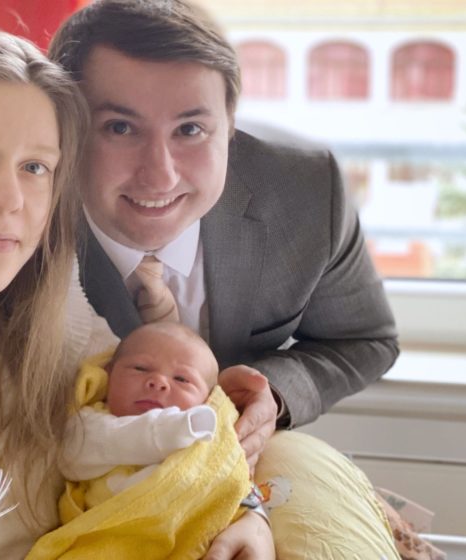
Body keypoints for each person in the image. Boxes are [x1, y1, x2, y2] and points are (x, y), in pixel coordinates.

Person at [0, 29, 272, 559]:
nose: (8, 199)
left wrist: (250, 511)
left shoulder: (63, 325)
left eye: (35, 167)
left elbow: (171, 425)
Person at [48, 0, 401, 557]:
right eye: (119, 127)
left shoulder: (308, 195)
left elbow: (366, 339)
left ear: (230, 125)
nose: (159, 173)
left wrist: (272, 397)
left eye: (191, 128)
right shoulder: (17, 214)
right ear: (65, 129)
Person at [27, 321, 271, 559]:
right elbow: (71, 458)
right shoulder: (91, 423)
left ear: (208, 400)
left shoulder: (210, 438)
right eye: (140, 368)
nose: (158, 382)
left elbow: (231, 482)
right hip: (109, 539)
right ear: (109, 374)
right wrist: (169, 431)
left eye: (182, 379)